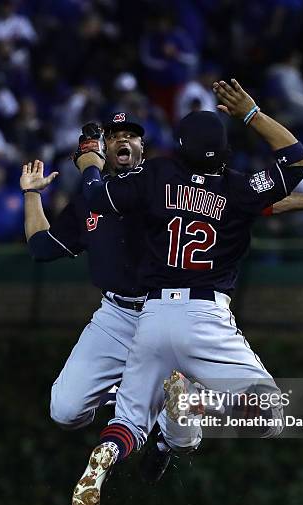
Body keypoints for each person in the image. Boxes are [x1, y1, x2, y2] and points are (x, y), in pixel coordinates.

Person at [71, 79, 303, 505]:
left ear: (179, 146)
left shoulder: (157, 174)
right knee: (270, 414)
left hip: (155, 314)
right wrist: (251, 113)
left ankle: (106, 457)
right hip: (206, 314)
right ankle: (194, 402)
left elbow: (93, 195)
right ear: (223, 150)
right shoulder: (241, 190)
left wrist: (89, 161)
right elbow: (298, 158)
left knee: (128, 422)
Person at [21, 112, 202, 485]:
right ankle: (138, 393)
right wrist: (32, 194)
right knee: (64, 410)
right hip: (115, 315)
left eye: (132, 136)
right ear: (106, 149)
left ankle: (164, 443)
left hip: (167, 313)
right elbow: (42, 247)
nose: (124, 141)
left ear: (142, 148)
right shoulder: (89, 200)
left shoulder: (162, 186)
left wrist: (88, 163)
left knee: (184, 437)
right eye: (115, 135)